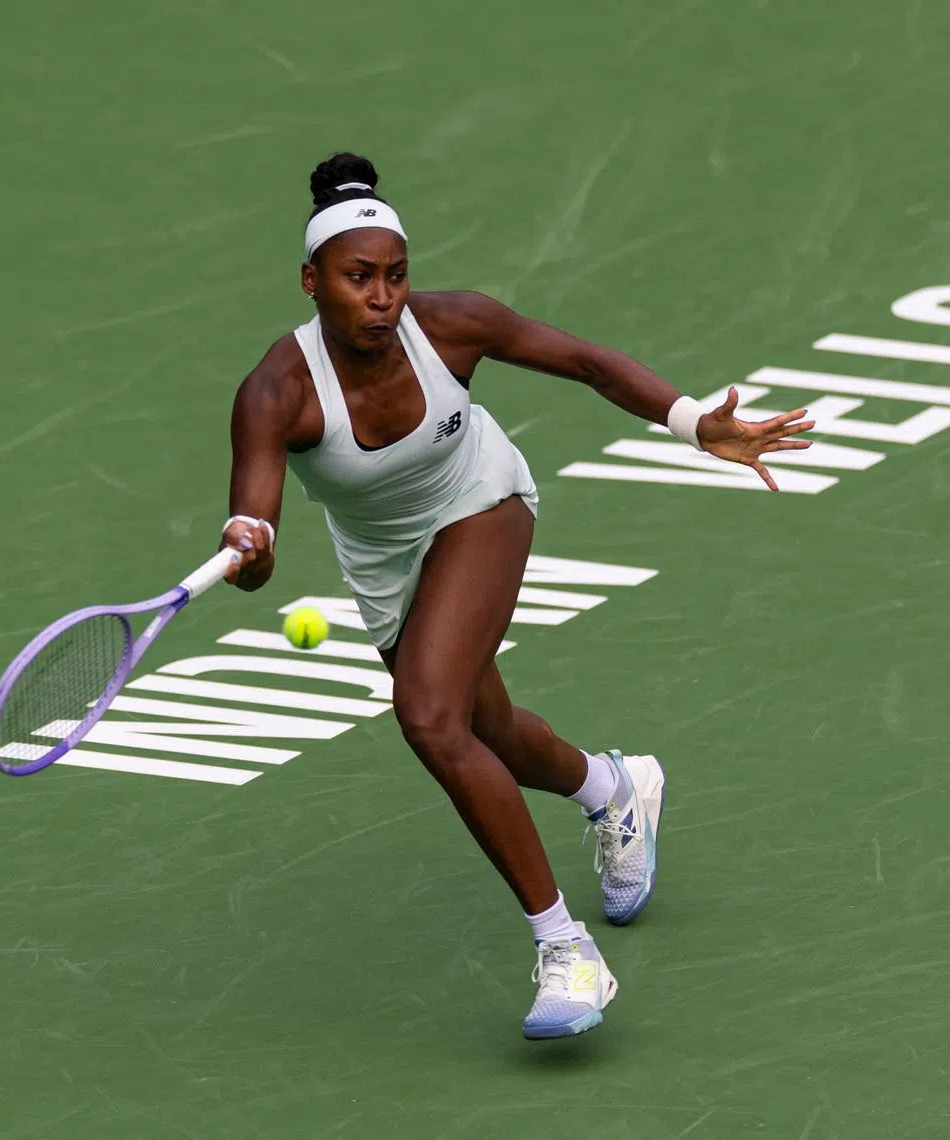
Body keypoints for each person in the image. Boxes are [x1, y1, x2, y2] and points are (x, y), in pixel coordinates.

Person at [219, 153, 814, 1039]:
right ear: (312, 282)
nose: (382, 297)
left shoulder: (451, 326)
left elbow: (584, 362)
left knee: (427, 716)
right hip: (385, 563)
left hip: (483, 502)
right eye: (357, 279)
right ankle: (613, 787)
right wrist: (250, 543)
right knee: (485, 729)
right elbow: (257, 531)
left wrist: (695, 423)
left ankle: (563, 950)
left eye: (394, 275)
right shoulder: (276, 393)